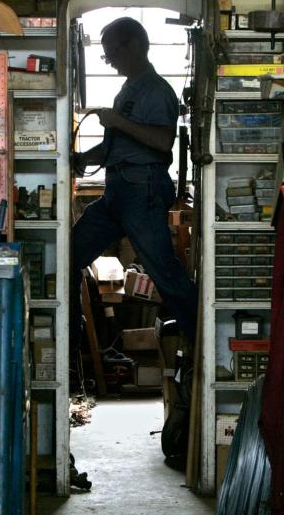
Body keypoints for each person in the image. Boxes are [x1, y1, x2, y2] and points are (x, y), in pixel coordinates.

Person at [72, 17, 198, 341]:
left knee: (165, 275)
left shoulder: (156, 90)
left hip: (142, 192)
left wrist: (118, 120)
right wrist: (85, 158)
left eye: (112, 52)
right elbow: (119, 145)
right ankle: (71, 343)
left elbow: (161, 141)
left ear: (136, 45)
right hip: (117, 193)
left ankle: (202, 345)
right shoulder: (129, 88)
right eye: (105, 55)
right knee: (68, 256)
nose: (110, 60)